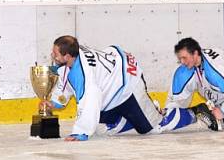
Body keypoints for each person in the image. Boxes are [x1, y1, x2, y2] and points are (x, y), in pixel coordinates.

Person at [45, 35, 209, 141]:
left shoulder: (82, 74)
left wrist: (80, 132)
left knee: (153, 128)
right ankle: (128, 117)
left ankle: (195, 112)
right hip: (113, 81)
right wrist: (54, 102)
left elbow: (90, 98)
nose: (53, 56)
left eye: (56, 53)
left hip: (129, 81)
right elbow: (66, 78)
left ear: (67, 56)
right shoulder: (73, 55)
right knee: (106, 128)